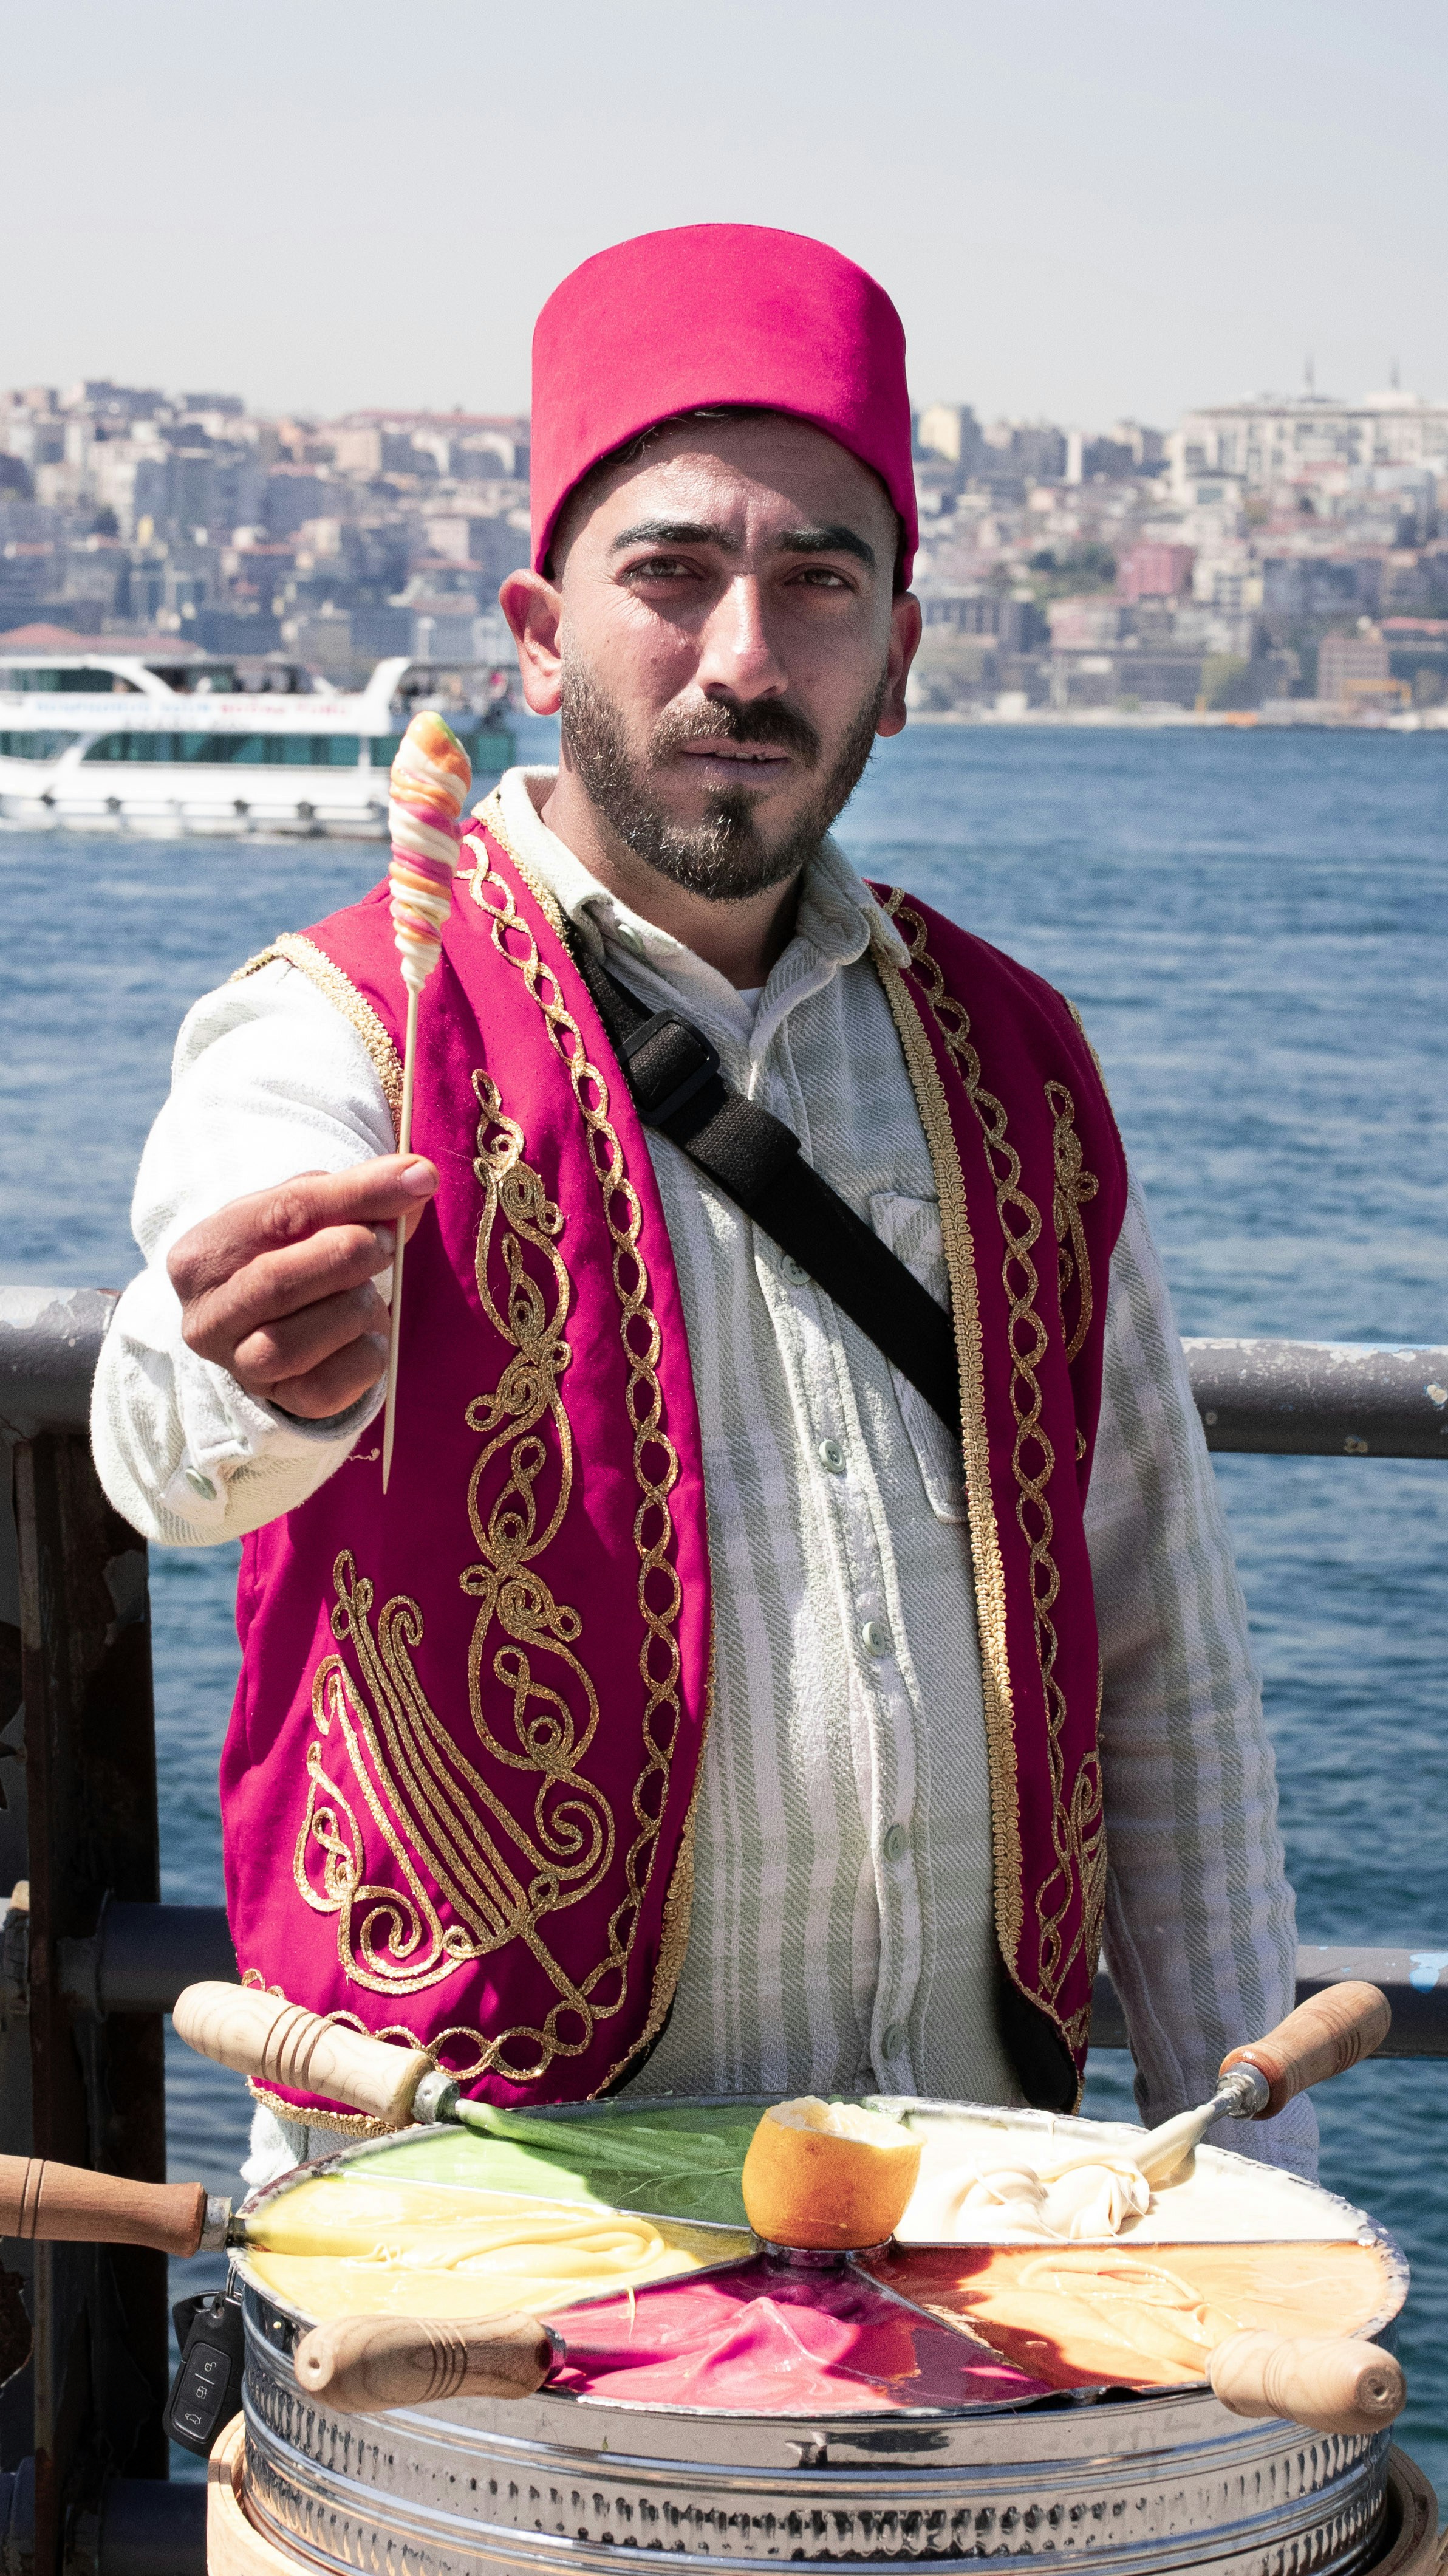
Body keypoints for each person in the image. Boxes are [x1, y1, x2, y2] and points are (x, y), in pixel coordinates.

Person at [92, 225, 1313, 2184]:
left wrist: (1268, 2197)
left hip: (963, 2222)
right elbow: (170, 1415)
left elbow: (1157, 1635)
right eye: (670, 575)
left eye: (818, 583)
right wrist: (246, 1363)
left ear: (899, 659)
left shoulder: (1018, 1059)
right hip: (482, 2230)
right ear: (535, 634)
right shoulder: (343, 1018)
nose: (743, 655)